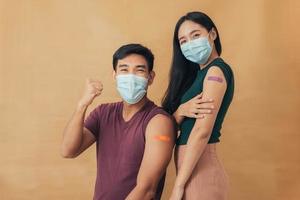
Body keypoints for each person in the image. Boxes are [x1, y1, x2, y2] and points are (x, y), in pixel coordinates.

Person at [61, 43, 176, 200]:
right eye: (124, 69)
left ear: (150, 77)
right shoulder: (103, 113)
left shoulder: (159, 122)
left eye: (139, 70)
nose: (131, 77)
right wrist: (82, 105)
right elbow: (68, 150)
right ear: (114, 75)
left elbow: (147, 189)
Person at [162, 11, 235, 200]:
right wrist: (180, 111)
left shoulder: (216, 72)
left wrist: (178, 186)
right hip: (192, 171)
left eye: (195, 35)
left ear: (212, 34)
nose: (190, 44)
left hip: (201, 172)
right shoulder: (198, 76)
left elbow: (202, 131)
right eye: (183, 41)